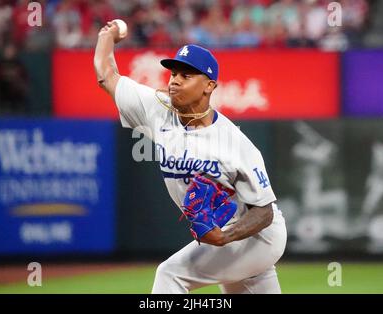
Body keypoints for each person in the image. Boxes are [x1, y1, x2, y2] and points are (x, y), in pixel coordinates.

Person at [94, 20, 287, 294]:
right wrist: (107, 36)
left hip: (258, 237)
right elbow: (107, 77)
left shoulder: (235, 143)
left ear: (209, 86)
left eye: (186, 75)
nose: (174, 80)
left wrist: (224, 237)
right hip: (230, 242)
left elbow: (265, 212)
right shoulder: (157, 111)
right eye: (174, 74)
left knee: (170, 275)